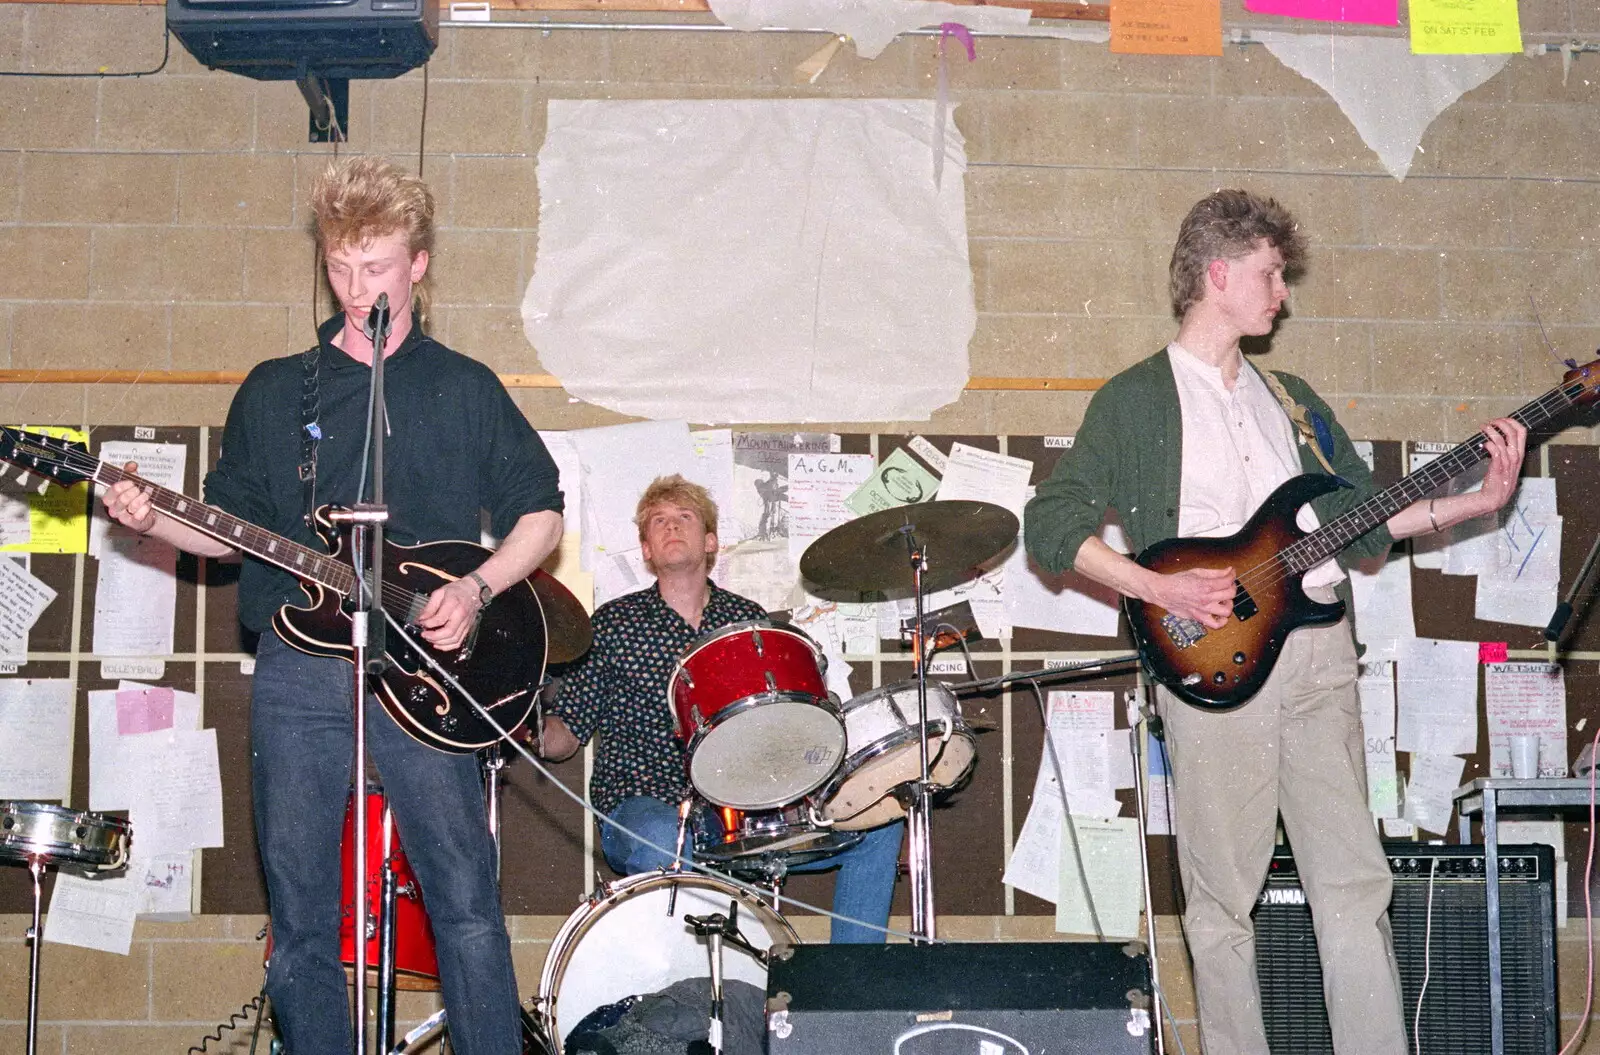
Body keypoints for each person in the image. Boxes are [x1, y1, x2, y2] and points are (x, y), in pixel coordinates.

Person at [1024, 189, 1527, 1055]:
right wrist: (1160, 588)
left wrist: (1475, 502)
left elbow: (1366, 516)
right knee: (1222, 902)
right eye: (1269, 274)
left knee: (1357, 882)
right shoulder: (1135, 397)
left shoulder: (1290, 396)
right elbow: (1052, 522)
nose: (1282, 293)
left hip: (1321, 653)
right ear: (1217, 274)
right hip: (1211, 663)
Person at [102, 156, 564, 1055]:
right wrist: (152, 516)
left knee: (466, 901)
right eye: (341, 268)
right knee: (302, 915)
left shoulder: (464, 386)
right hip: (301, 669)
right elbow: (227, 533)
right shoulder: (278, 390)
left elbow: (540, 514)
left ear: (419, 264)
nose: (358, 290)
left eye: (378, 268)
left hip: (429, 672)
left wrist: (475, 588)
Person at [538, 475, 903, 943]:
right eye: (658, 522)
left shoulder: (745, 620)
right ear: (646, 549)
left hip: (744, 811)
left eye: (684, 518)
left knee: (877, 825)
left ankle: (847, 993)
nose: (671, 527)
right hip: (645, 804)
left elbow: (782, 726)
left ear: (710, 541)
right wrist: (520, 720)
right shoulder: (613, 624)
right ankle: (683, 994)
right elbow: (564, 735)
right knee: (667, 836)